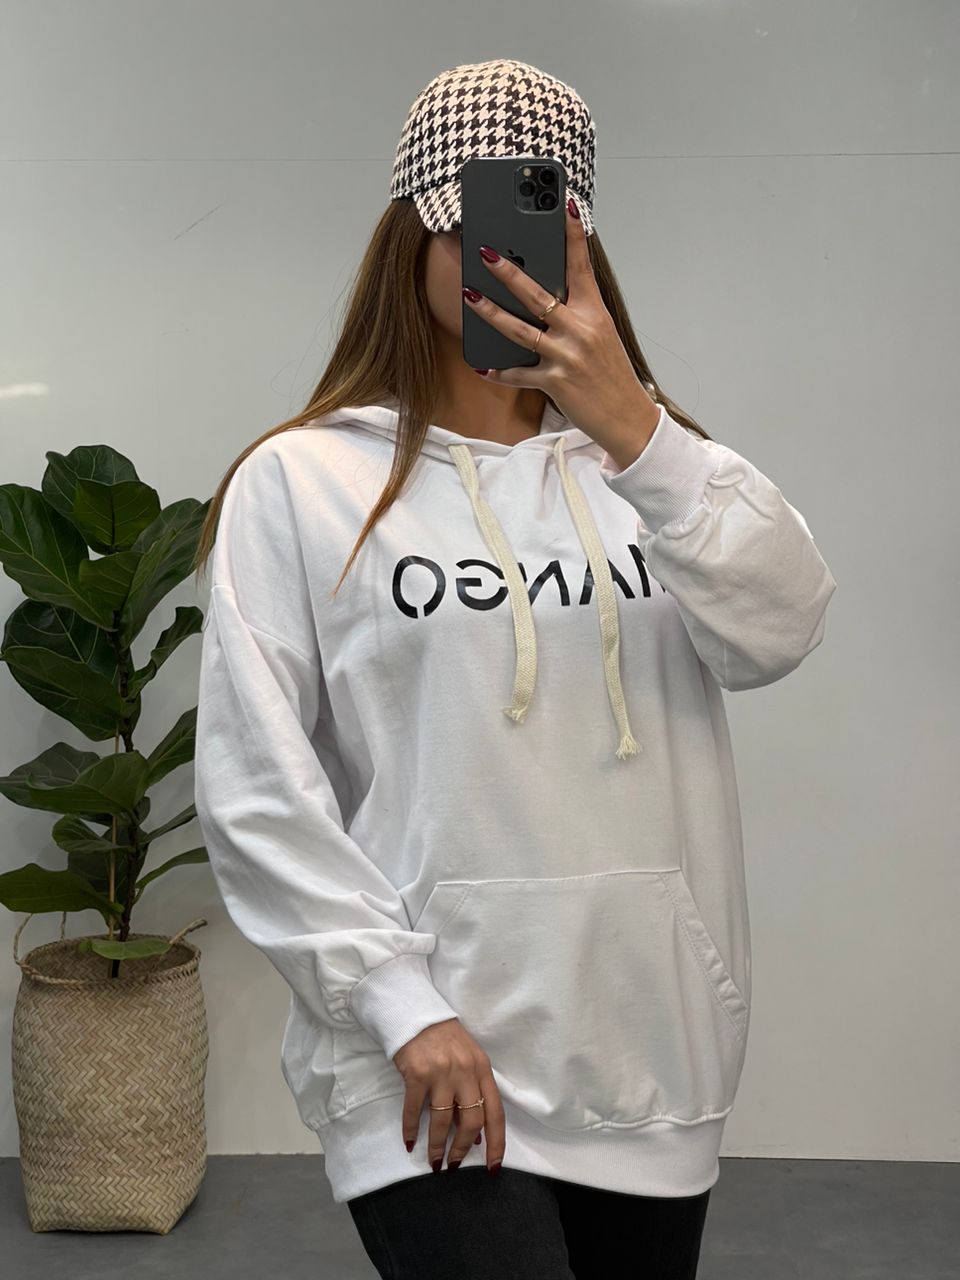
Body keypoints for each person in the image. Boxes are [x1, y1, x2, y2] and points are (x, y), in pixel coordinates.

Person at [193, 58, 837, 1279]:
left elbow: (783, 626)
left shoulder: (654, 471)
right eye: (468, 228)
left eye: (537, 231)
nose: (502, 261)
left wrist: (637, 430)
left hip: (649, 1057)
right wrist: (397, 1002)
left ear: (583, 241)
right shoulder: (304, 480)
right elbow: (255, 783)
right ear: (410, 237)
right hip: (427, 1061)